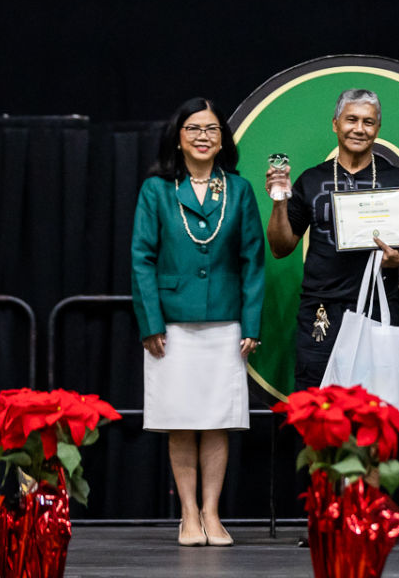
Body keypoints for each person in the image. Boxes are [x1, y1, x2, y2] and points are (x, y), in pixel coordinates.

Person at [131, 97, 265, 547]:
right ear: (178, 137)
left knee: (216, 419)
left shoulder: (240, 189)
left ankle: (213, 513)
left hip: (226, 321)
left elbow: (253, 261)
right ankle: (187, 514)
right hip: (170, 325)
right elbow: (142, 259)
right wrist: (151, 320)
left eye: (211, 129)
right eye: (194, 128)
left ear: (222, 137)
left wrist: (251, 324)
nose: (203, 136)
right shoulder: (156, 190)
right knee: (180, 419)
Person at [266, 89, 399, 393]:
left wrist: (397, 260)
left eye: (368, 122)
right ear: (335, 124)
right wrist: (279, 202)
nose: (359, 128)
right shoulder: (311, 180)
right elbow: (280, 247)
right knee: (317, 405)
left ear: (378, 129)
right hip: (321, 309)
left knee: (377, 405)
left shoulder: (395, 180)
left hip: (377, 307)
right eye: (351, 119)